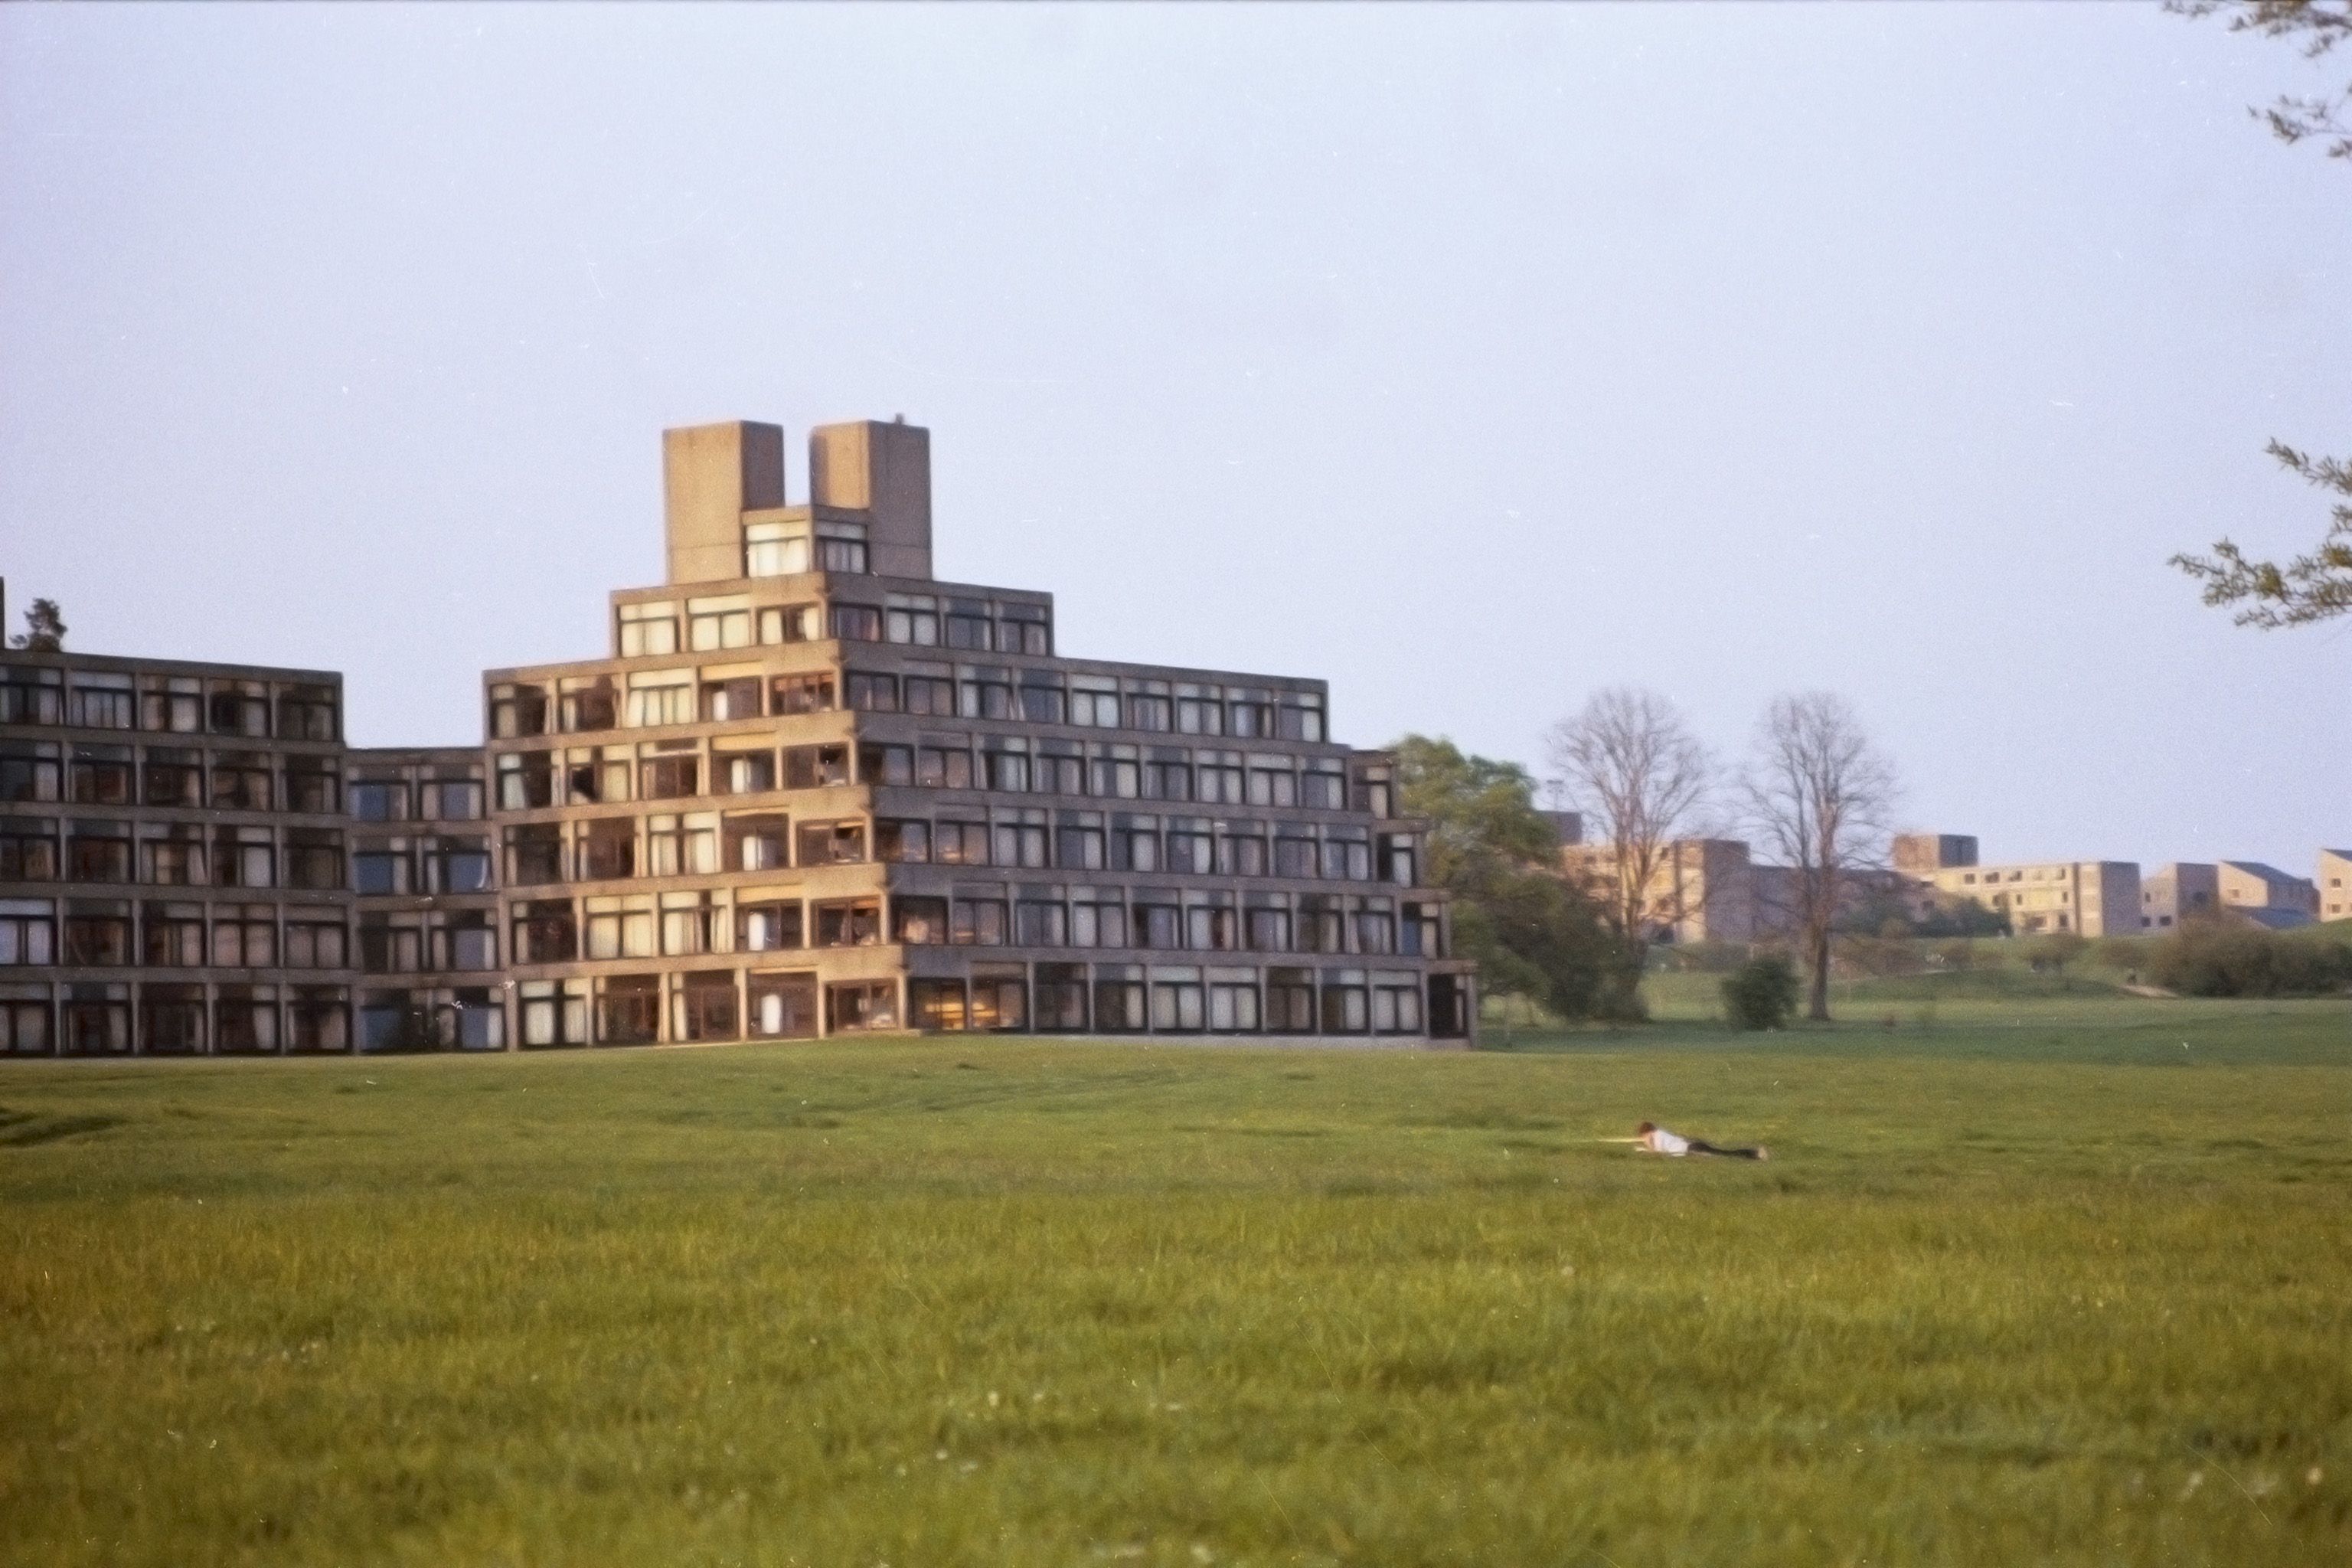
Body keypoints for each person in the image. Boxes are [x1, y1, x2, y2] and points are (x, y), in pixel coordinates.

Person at [1636, 1121, 1767, 1161]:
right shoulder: (1660, 1134)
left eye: (1644, 1136)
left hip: (1692, 1149)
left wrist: (1646, 1146)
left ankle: (1755, 1154)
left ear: (1648, 1133)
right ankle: (1754, 1154)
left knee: (1724, 1156)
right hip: (1692, 1146)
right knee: (1724, 1154)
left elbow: (1657, 1154)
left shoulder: (1657, 1137)